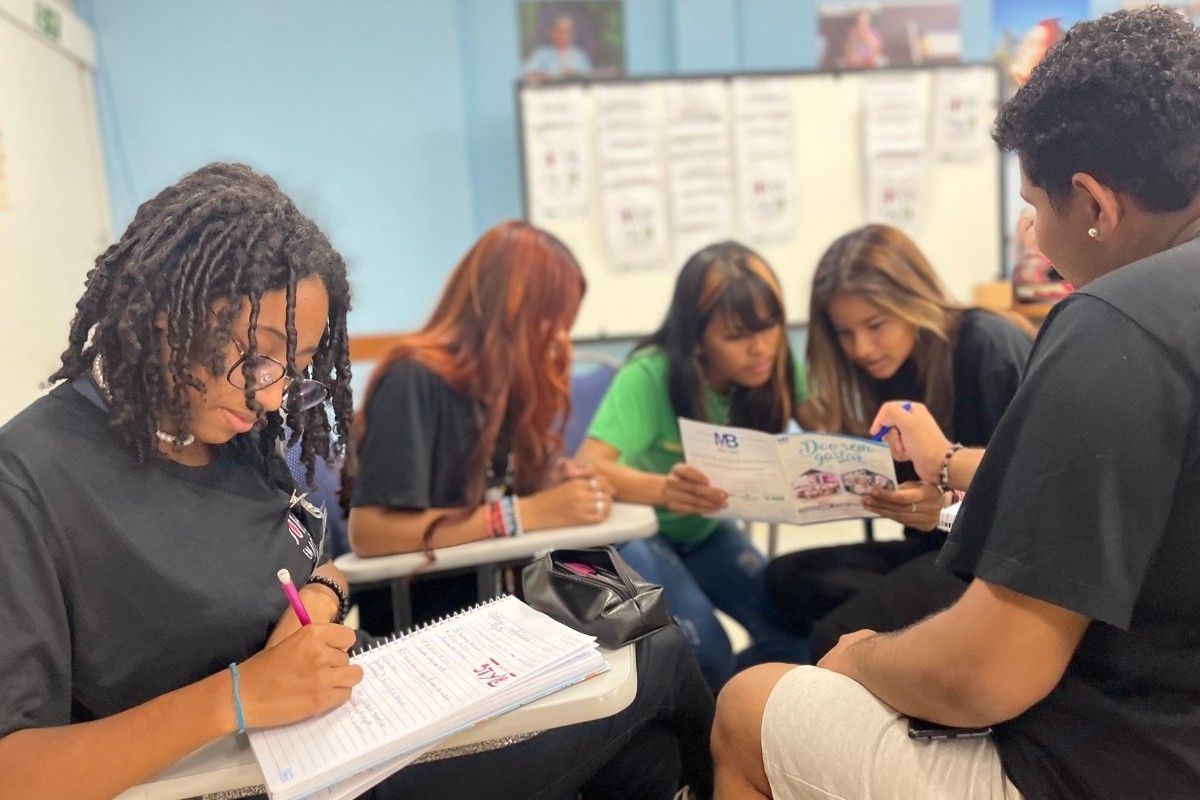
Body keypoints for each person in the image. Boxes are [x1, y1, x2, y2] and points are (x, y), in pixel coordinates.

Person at [0, 167, 714, 800]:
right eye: (260, 357)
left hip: (353, 721)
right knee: (654, 652)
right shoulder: (31, 480)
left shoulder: (231, 433)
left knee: (644, 749)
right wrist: (237, 698)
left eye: (294, 369)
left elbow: (323, 565)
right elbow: (14, 774)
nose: (272, 398)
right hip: (266, 776)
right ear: (167, 312)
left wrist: (319, 598)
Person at [712, 9, 1200, 798]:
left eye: (1034, 205)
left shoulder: (1110, 324)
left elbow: (988, 673)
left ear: (1092, 204)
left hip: (1116, 762)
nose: (1034, 236)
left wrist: (864, 658)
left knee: (749, 704)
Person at [344, 219, 715, 797]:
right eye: (552, 320)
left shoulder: (503, 384)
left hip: (510, 614)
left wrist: (555, 480)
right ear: (511, 308)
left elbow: (515, 484)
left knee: (653, 751)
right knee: (660, 646)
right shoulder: (417, 378)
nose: (559, 337)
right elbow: (370, 532)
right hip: (436, 633)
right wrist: (524, 515)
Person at [767, 223, 1033, 661]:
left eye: (875, 325)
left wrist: (943, 505)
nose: (862, 348)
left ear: (913, 302)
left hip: (994, 566)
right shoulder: (888, 367)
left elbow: (1037, 498)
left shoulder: (987, 347)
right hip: (932, 546)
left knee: (834, 638)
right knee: (784, 578)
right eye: (845, 333)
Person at [577, 241, 809, 692]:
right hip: (646, 533)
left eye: (770, 325)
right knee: (707, 651)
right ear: (697, 338)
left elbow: (830, 425)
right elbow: (588, 467)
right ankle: (710, 720)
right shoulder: (649, 374)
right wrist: (665, 490)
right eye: (736, 336)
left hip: (705, 528)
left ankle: (739, 709)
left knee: (792, 630)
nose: (760, 347)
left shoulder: (775, 364)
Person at [523, 14, 594, 81]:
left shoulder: (579, 54)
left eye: (568, 32)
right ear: (552, 33)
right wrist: (549, 76)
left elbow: (589, 76)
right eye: (561, 31)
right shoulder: (542, 53)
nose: (564, 36)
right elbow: (528, 73)